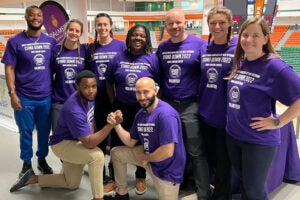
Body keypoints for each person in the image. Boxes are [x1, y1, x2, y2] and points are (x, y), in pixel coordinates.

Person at [9, 70, 117, 200]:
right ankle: (98, 197)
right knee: (97, 156)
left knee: (71, 183)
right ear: (78, 88)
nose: (91, 90)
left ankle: (33, 179)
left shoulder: (90, 98)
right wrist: (110, 126)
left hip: (75, 141)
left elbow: (91, 121)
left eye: (93, 86)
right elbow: (88, 143)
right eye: (86, 87)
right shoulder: (74, 108)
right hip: (62, 144)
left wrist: (90, 136)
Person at [225, 17, 300, 200]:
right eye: (245, 34)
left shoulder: (275, 66)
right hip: (235, 136)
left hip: (257, 141)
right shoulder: (241, 62)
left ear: (266, 39)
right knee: (245, 185)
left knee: (254, 191)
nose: (249, 39)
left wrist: (277, 122)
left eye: (256, 35)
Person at [156, 8, 211, 199]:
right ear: (166, 25)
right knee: (173, 148)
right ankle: (179, 185)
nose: (174, 26)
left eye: (178, 22)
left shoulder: (200, 45)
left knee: (195, 150)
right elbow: (161, 78)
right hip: (168, 105)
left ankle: (204, 193)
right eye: (170, 23)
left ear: (185, 22)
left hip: (190, 105)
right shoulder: (162, 48)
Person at [107, 77, 186, 200]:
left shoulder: (166, 115)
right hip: (148, 156)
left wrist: (148, 158)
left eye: (146, 92)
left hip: (167, 169)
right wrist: (116, 124)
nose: (142, 97)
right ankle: (121, 194)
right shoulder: (141, 113)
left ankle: (193, 196)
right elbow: (130, 142)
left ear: (155, 91)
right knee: (116, 153)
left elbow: (167, 151)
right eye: (138, 92)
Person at [1, 5, 57, 178]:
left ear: (42, 19)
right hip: (24, 97)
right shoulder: (15, 41)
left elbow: (56, 67)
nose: (35, 17)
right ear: (26, 18)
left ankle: (42, 159)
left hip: (46, 97)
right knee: (25, 132)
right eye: (31, 15)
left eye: (39, 15)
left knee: (44, 132)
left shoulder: (50, 42)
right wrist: (12, 93)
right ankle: (26, 163)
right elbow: (9, 68)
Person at [105, 24, 160, 195]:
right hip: (121, 106)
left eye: (142, 36)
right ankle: (114, 179)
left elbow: (158, 83)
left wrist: (153, 106)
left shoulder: (152, 59)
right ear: (128, 38)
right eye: (135, 35)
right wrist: (114, 102)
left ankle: (140, 175)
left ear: (147, 39)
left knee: (142, 142)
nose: (138, 38)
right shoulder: (118, 57)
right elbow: (108, 81)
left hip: (143, 108)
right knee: (116, 142)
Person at [198, 7, 237, 200]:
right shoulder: (204, 49)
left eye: (222, 22)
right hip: (206, 114)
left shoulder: (238, 47)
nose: (217, 26)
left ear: (230, 23)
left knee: (224, 165)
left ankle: (222, 197)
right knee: (212, 160)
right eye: (213, 23)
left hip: (226, 118)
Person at [86, 13, 126, 188]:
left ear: (110, 26)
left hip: (116, 94)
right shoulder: (91, 48)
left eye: (105, 24)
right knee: (101, 134)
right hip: (98, 97)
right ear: (95, 27)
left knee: (117, 134)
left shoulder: (121, 46)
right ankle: (100, 171)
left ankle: (114, 168)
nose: (102, 28)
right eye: (99, 25)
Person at [51, 18, 87, 130]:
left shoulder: (85, 50)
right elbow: (48, 74)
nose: (74, 33)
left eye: (77, 31)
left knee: (78, 138)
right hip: (59, 102)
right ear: (66, 30)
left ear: (80, 33)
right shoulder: (55, 50)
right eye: (71, 29)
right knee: (58, 138)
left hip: (79, 102)